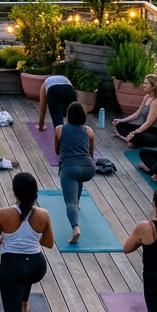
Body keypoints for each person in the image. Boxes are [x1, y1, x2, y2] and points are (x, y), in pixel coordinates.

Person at [0, 172, 56, 312]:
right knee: (25, 272)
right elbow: (49, 243)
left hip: (13, 269)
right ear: (34, 193)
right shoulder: (43, 214)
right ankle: (24, 303)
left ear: (14, 192)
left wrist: (5, 237)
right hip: (36, 268)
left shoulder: (3, 214)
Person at [55, 101, 96, 245]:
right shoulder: (89, 131)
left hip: (69, 168)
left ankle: (75, 228)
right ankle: (78, 202)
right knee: (78, 178)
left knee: (69, 203)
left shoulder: (60, 129)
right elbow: (91, 152)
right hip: (88, 169)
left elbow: (57, 151)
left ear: (68, 116)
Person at [113, 74, 157, 148]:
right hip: (146, 129)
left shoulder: (156, 102)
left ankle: (130, 140)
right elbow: (137, 113)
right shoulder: (147, 97)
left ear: (153, 87)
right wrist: (121, 120)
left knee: (136, 135)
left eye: (146, 83)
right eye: (144, 83)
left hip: (155, 134)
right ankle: (130, 140)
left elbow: (148, 123)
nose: (143, 85)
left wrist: (135, 132)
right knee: (120, 125)